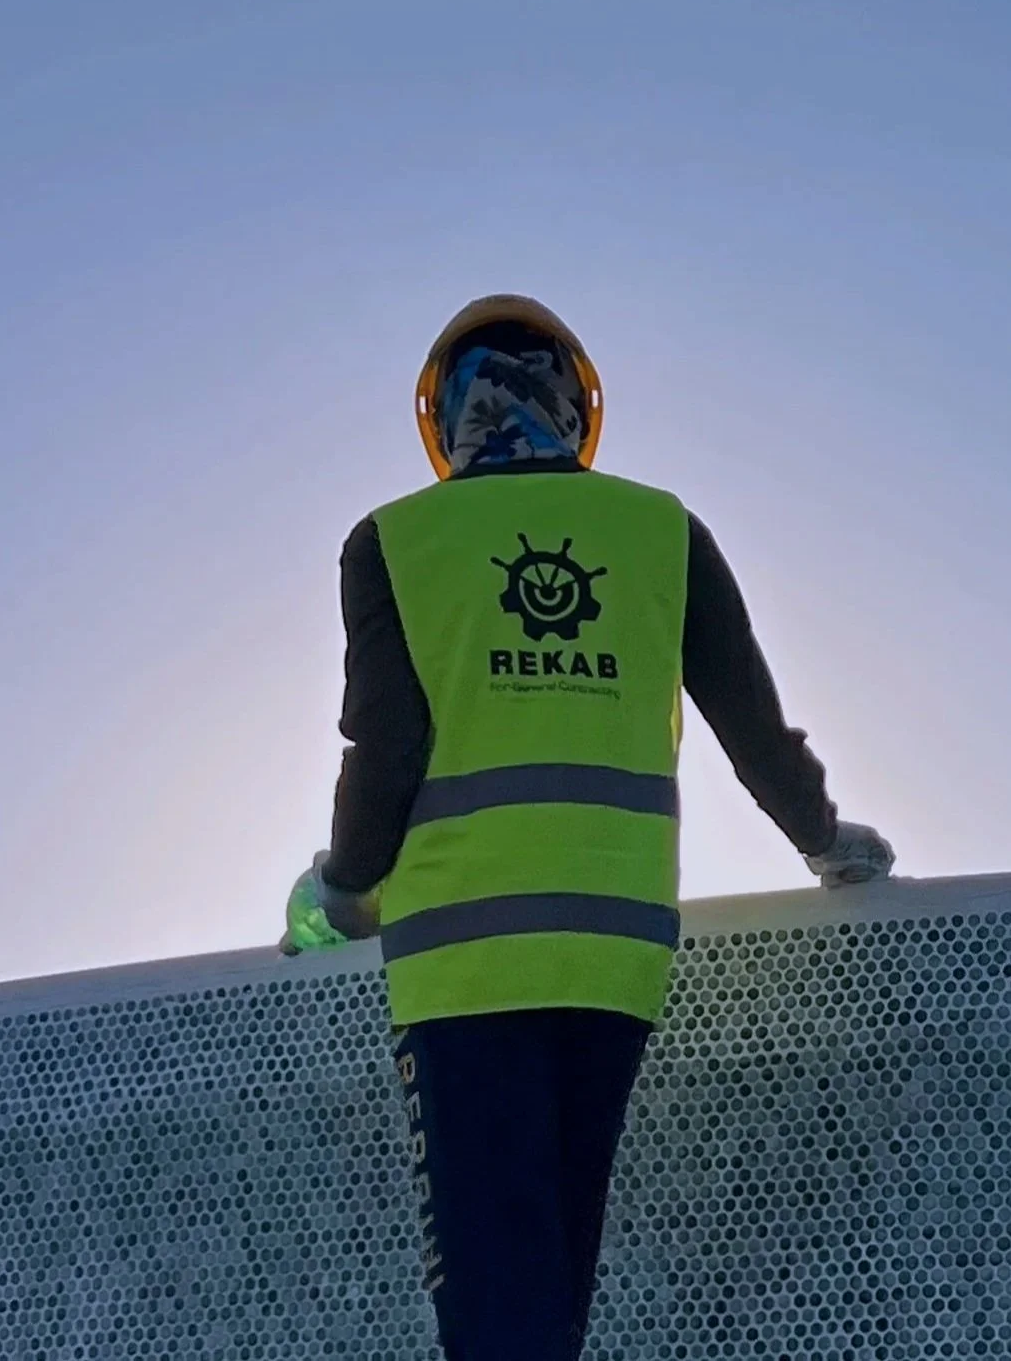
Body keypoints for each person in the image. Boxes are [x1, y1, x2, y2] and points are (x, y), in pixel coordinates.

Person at [280, 294, 896, 1361]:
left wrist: (339, 892)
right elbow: (751, 721)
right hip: (614, 955)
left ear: (444, 415)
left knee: (495, 1305)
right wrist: (829, 841)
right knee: (556, 1286)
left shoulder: (391, 541)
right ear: (575, 399)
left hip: (463, 963)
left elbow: (385, 752)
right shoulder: (663, 529)